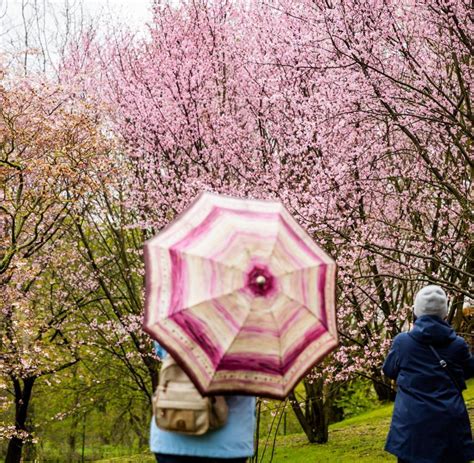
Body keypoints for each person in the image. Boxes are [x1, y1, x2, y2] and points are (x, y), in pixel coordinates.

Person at [383, 285, 474, 463]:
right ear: (444, 313)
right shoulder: (458, 345)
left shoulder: (402, 342)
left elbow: (389, 370)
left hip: (412, 428)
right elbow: (469, 370)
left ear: (417, 311)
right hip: (450, 426)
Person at [150, 342, 256, 463]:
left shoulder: (174, 323)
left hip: (172, 430)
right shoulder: (255, 326)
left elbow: (162, 349)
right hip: (228, 441)